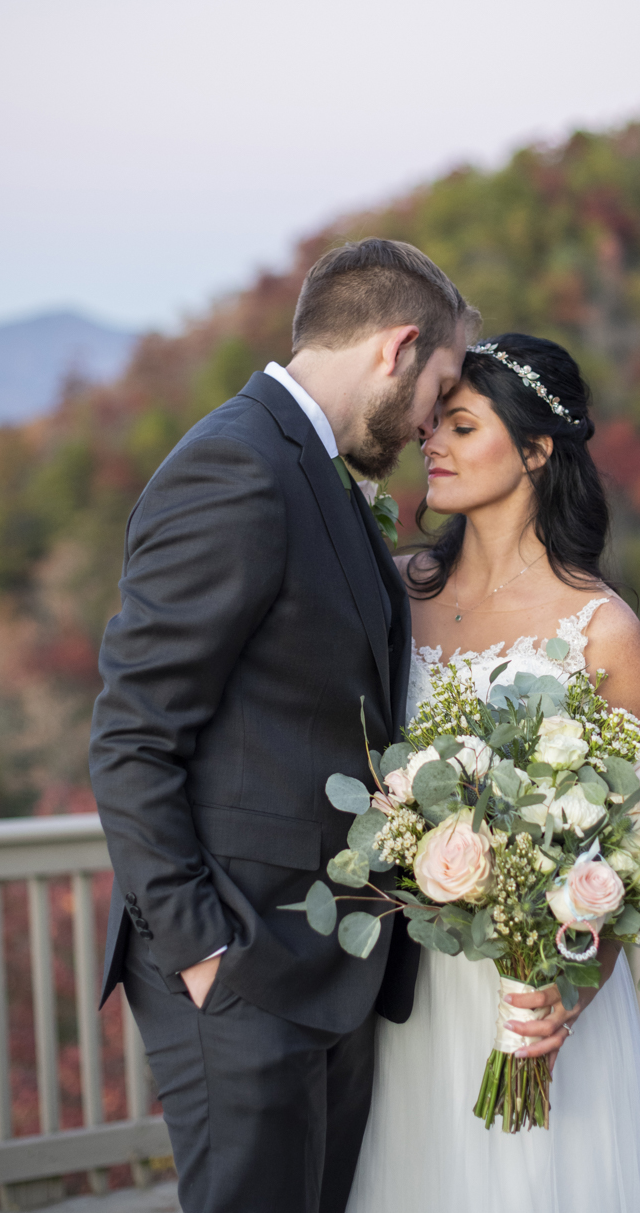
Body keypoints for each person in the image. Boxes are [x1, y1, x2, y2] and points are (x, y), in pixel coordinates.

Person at [89, 238, 477, 1213]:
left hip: (328, 967)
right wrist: (203, 954)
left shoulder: (322, 469)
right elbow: (132, 736)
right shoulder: (236, 466)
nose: (432, 417)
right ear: (395, 349)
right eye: (438, 385)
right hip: (245, 968)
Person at [348, 333, 640, 1213]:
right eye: (432, 427)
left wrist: (565, 988)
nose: (432, 444)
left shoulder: (604, 635)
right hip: (399, 987)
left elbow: (631, 856)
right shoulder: (389, 590)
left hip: (525, 994)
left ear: (535, 450)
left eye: (460, 425)